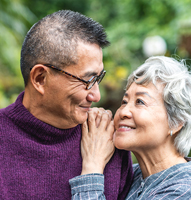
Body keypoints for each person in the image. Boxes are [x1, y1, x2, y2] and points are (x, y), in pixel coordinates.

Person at [0, 10, 133, 200]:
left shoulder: (105, 138)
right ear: (40, 78)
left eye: (99, 78)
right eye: (87, 80)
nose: (97, 95)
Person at [70, 56, 191, 199]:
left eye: (140, 102)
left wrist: (92, 167)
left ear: (176, 122)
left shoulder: (184, 192)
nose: (124, 112)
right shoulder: (133, 176)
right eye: (124, 101)